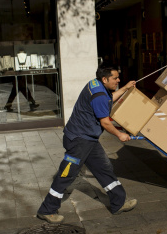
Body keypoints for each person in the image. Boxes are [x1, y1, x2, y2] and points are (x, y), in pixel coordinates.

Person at [37, 64, 137, 224]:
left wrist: (125, 87)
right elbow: (105, 122)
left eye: (119, 78)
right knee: (66, 174)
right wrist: (120, 134)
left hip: (88, 139)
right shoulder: (99, 97)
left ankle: (118, 203)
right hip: (78, 141)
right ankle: (46, 210)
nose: (118, 80)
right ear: (104, 79)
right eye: (115, 78)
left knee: (104, 168)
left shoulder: (95, 84)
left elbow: (109, 99)